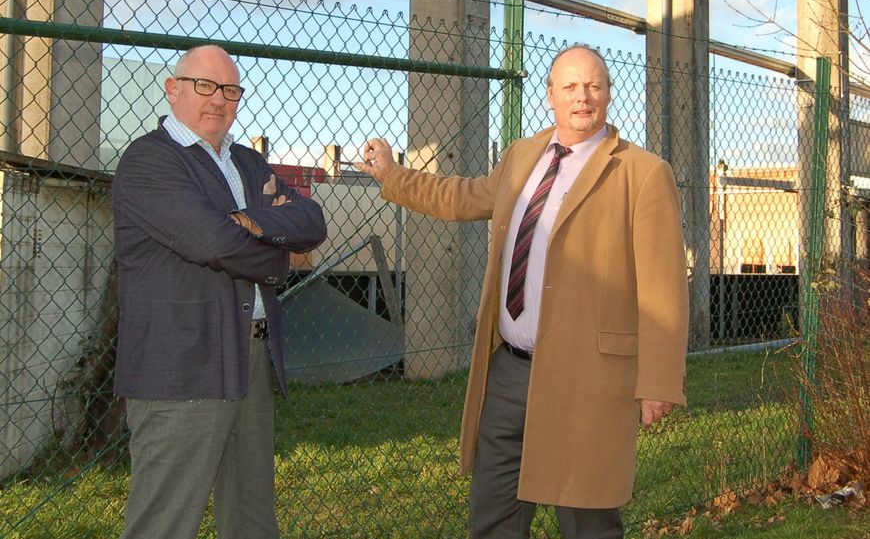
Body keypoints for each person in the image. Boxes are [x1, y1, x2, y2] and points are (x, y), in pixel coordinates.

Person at [356, 45, 689, 539]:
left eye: (594, 86)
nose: (583, 97)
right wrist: (392, 175)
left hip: (590, 376)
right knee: (494, 516)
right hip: (510, 370)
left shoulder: (641, 173)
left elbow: (664, 288)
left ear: (609, 95)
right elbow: (462, 197)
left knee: (588, 520)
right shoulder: (522, 156)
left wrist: (659, 381)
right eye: (571, 87)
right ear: (550, 96)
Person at [112, 44, 327, 539]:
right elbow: (213, 243)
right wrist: (284, 252)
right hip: (181, 365)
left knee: (252, 517)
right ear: (173, 90)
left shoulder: (248, 163)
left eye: (230, 89)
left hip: (249, 358)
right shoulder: (150, 161)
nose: (218, 100)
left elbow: (311, 219)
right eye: (204, 86)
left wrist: (251, 222)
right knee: (164, 522)